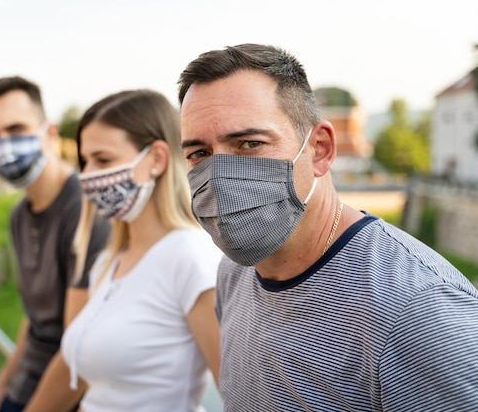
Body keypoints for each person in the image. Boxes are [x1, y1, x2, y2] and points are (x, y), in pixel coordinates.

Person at [177, 43, 478, 411]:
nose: (219, 176)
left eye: (250, 143)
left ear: (319, 149)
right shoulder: (234, 273)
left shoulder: (418, 311)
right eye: (200, 154)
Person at [50, 89, 222, 412]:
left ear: (156, 159)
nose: (86, 176)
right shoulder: (107, 261)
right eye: (84, 161)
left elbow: (237, 391)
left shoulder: (191, 257)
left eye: (103, 160)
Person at [0, 76, 109, 412]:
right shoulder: (19, 214)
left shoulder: (86, 209)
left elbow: (79, 345)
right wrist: (4, 382)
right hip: (22, 388)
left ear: (48, 133)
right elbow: (35, 317)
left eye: (16, 129)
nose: (3, 144)